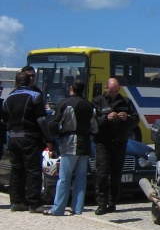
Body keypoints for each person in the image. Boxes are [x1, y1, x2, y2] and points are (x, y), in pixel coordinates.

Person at [45, 78, 97, 216]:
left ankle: (58, 208)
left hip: (70, 141)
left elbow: (53, 123)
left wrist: (56, 136)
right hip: (85, 142)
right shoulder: (89, 105)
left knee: (64, 177)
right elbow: (94, 127)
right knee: (81, 178)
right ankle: (78, 207)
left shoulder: (65, 103)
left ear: (71, 89)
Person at [2, 70, 48, 212]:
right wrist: (48, 137)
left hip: (13, 137)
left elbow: (4, 119)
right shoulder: (35, 96)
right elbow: (41, 119)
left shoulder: (8, 98)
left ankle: (16, 201)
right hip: (30, 137)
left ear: (16, 83)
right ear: (29, 82)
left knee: (16, 170)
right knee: (33, 170)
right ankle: (34, 203)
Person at [92, 78, 138, 215]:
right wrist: (106, 118)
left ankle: (112, 202)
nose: (114, 93)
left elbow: (135, 121)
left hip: (119, 142)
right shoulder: (97, 101)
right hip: (103, 143)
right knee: (102, 173)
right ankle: (101, 203)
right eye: (111, 91)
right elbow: (93, 123)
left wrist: (127, 118)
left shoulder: (126, 101)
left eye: (116, 91)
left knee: (116, 174)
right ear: (106, 88)